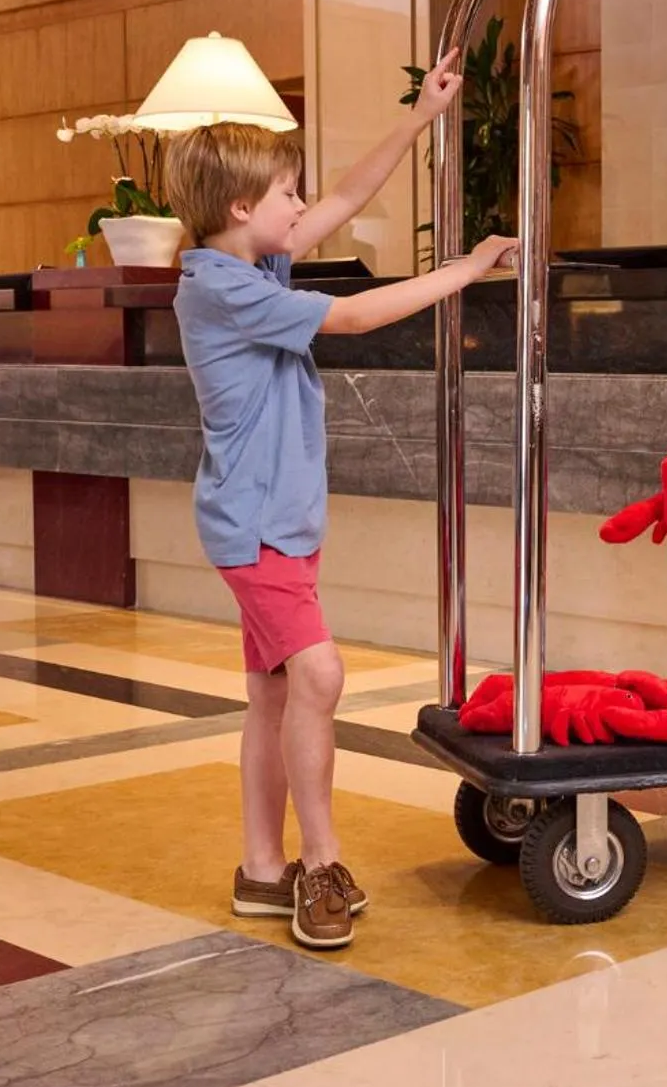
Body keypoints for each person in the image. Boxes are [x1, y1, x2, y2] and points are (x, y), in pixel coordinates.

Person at [166, 48, 517, 951]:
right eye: (286, 194)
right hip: (254, 528)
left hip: (276, 521)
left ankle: (259, 870)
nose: (301, 208)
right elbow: (356, 316)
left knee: (275, 695)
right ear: (242, 208)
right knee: (318, 675)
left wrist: (421, 115)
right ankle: (319, 863)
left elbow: (344, 203)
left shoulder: (252, 266)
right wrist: (469, 269)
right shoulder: (222, 287)